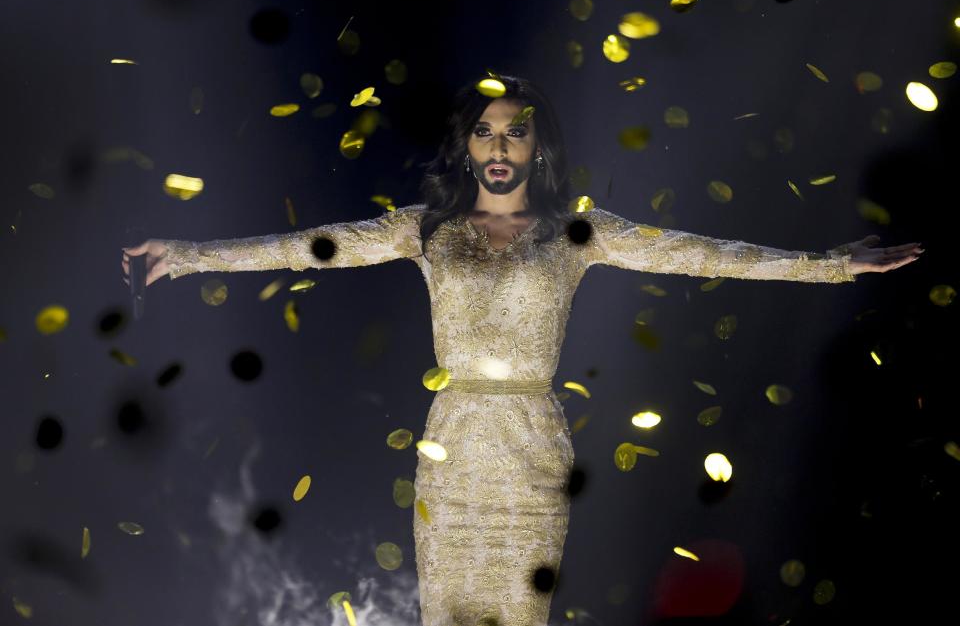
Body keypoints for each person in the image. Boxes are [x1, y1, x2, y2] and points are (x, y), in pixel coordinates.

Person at [121, 75, 923, 625]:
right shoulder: (425, 228)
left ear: (539, 145)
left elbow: (699, 252)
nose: (498, 145)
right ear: (466, 145)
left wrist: (830, 265)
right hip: (454, 445)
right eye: (483, 131)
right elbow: (308, 247)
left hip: (533, 448)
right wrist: (190, 254)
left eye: (515, 131)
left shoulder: (577, 231)